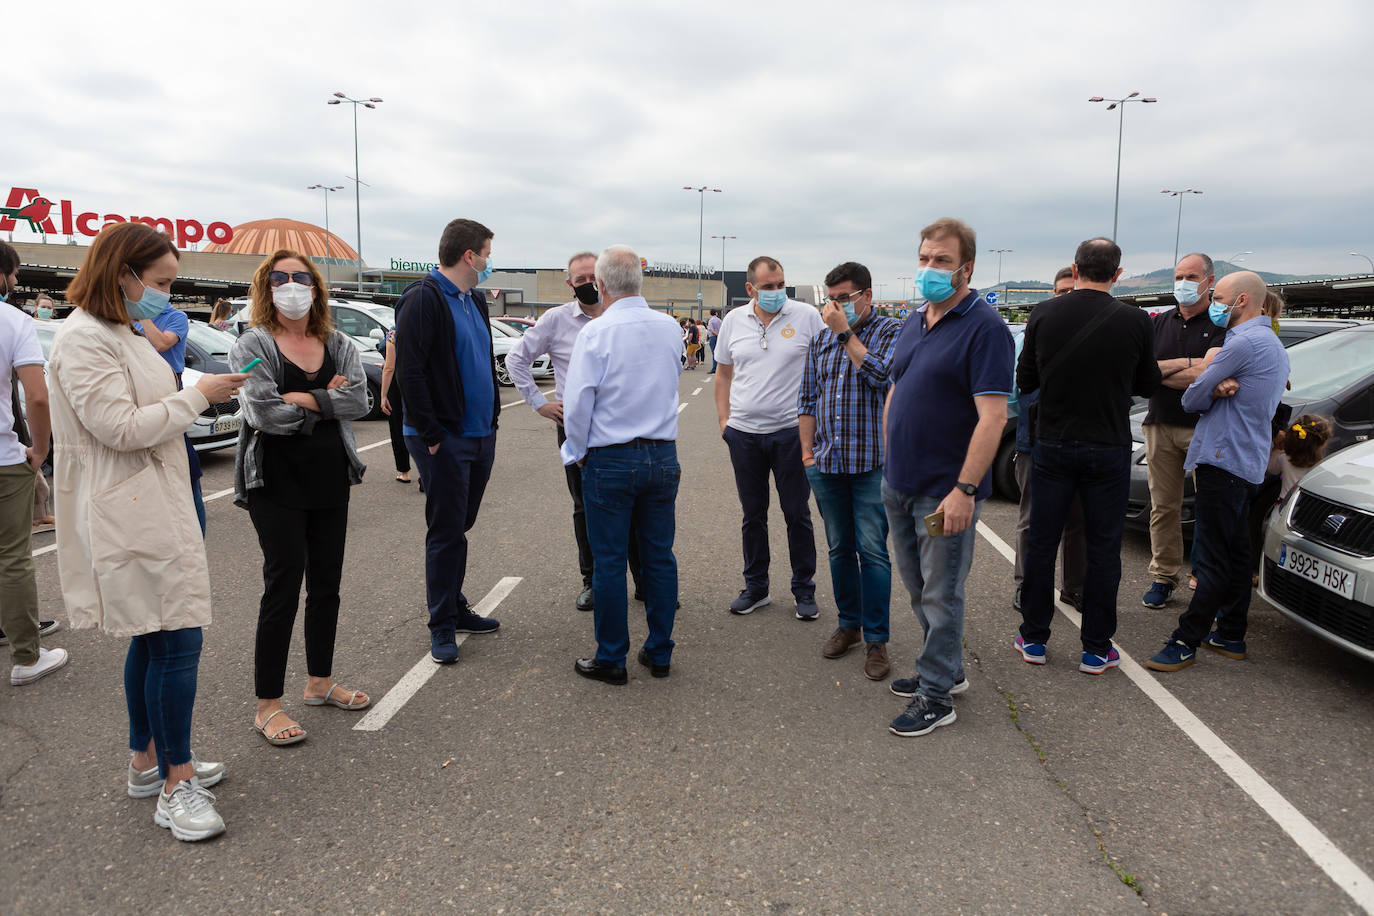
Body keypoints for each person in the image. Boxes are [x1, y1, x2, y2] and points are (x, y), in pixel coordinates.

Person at [48, 222, 245, 840]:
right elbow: (121, 427)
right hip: (128, 505)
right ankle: (175, 782)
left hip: (154, 497)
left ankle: (146, 760)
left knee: (155, 634)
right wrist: (197, 395)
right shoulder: (84, 340)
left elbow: (142, 407)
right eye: (158, 282)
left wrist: (189, 390)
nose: (164, 294)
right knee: (175, 639)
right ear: (121, 274)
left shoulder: (121, 331)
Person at [231, 251, 372, 746]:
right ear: (265, 286)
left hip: (330, 478)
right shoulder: (253, 343)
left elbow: (362, 401)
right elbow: (265, 415)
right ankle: (267, 705)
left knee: (327, 586)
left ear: (316, 286)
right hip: (276, 483)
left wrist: (301, 398)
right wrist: (326, 402)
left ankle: (319, 682)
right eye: (280, 278)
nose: (291, 285)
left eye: (301, 278)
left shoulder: (338, 342)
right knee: (283, 586)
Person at [883, 218, 1012, 737]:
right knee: (917, 588)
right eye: (924, 258)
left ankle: (937, 694)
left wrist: (964, 490)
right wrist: (888, 455)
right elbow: (897, 386)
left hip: (943, 494)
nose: (929, 269)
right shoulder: (916, 320)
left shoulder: (986, 329)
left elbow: (993, 418)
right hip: (899, 483)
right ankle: (948, 668)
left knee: (941, 592)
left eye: (941, 261)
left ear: (967, 267)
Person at [1014, 239, 1161, 674]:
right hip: (1108, 445)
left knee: (1042, 542)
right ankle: (1096, 647)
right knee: (1102, 548)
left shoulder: (1043, 313)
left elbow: (1025, 380)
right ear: (1117, 274)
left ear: (1075, 270)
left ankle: (1035, 638)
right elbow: (1148, 383)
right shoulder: (1135, 320)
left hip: (1053, 443)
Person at [1146, 271, 1290, 672]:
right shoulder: (1273, 344)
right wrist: (1212, 381)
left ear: (1242, 300)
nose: (1214, 304)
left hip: (1222, 460)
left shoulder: (1240, 343)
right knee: (1238, 552)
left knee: (1212, 558)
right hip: (1247, 461)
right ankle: (1230, 632)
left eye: (1220, 297)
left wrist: (1209, 376)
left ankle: (1185, 639)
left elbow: (1192, 399)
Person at [560, 246, 683, 685]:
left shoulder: (596, 333)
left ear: (603, 285)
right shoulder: (670, 328)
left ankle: (612, 658)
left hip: (611, 457)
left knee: (610, 561)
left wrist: (575, 451)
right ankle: (660, 650)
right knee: (659, 557)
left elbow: (578, 404)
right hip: (662, 454)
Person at [506, 251, 644, 612]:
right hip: (575, 427)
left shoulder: (623, 317)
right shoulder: (557, 320)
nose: (586, 285)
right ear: (570, 284)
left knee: (632, 505)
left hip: (621, 426)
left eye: (590, 278)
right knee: (585, 508)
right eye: (578, 280)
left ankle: (645, 581)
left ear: (603, 279)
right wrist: (540, 403)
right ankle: (593, 582)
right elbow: (516, 359)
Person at [397, 218, 503, 664]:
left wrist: (493, 417)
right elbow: (410, 371)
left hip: (480, 433)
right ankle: (441, 622)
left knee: (461, 524)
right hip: (444, 439)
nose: (489, 261)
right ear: (469, 256)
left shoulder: (473, 298)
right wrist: (431, 433)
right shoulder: (423, 299)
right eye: (487, 253)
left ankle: (454, 605)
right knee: (445, 530)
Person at [798, 262, 903, 681]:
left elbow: (884, 376)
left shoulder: (891, 332)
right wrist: (807, 456)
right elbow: (807, 399)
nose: (835, 305)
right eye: (831, 298)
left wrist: (846, 333)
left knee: (873, 552)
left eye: (844, 297)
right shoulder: (820, 342)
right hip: (826, 464)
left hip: (872, 466)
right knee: (840, 548)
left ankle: (877, 638)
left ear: (866, 296)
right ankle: (849, 625)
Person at [714, 256, 824, 619]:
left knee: (797, 513)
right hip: (744, 434)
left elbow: (827, 366)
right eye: (768, 287)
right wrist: (724, 421)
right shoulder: (734, 321)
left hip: (791, 433)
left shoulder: (806, 317)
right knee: (753, 514)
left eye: (781, 285)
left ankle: (803, 589)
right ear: (750, 289)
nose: (777, 292)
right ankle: (756, 587)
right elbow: (723, 374)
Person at [1140, 253, 1226, 609]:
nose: (1183, 283)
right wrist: (1194, 365)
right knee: (1163, 507)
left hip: (1206, 426)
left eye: (1191, 276)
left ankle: (1205, 576)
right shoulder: (1159, 324)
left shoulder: (1222, 323)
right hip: (1159, 424)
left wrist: (1169, 372)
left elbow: (1213, 374)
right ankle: (1164, 576)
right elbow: (1145, 374)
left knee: (1211, 507)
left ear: (1209, 280)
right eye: (1179, 276)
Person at [0, 239, 67, 685]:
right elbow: (37, 396)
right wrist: (40, 450)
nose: (18, 281)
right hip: (4, 459)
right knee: (12, 557)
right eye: (15, 273)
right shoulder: (14, 321)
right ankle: (26, 656)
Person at [1012, 267, 1085, 613]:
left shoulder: (1092, 333)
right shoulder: (1033, 333)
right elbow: (1015, 389)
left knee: (1077, 520)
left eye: (1073, 291)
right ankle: (1024, 585)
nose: (1067, 298)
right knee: (1032, 517)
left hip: (1080, 441)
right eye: (1060, 292)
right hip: (1035, 441)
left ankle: (1074, 587)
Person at [379, 323, 412, 484]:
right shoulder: (426, 328)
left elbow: (389, 367)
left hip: (398, 385)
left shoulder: (394, 333)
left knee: (397, 428)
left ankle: (404, 472)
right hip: (421, 384)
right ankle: (427, 474)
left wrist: (383, 395)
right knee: (423, 427)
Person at [706, 309, 722, 373]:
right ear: (716, 313)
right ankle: (719, 368)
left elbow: (711, 330)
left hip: (713, 337)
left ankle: (714, 368)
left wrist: (716, 334)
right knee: (719, 352)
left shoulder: (711, 320)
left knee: (714, 353)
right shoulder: (720, 320)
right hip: (719, 337)